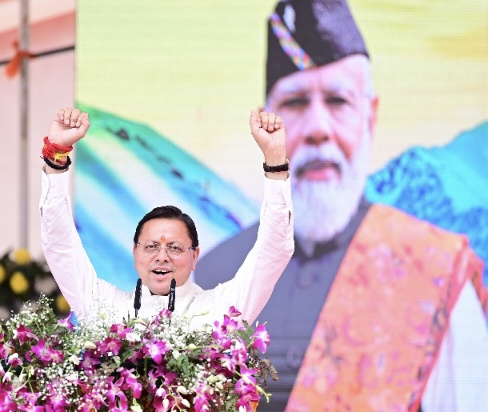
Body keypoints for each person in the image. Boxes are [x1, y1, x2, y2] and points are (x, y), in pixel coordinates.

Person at [195, 1, 488, 411]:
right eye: (296, 103)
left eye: (337, 101)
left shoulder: (436, 275)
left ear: (370, 117)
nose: (318, 128)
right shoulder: (211, 280)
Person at [39, 107, 294, 330]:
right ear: (135, 252)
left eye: (174, 248)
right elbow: (61, 247)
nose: (162, 257)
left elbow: (272, 252)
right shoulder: (107, 309)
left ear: (195, 256)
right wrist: (56, 156)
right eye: (151, 247)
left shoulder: (220, 311)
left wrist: (275, 163)